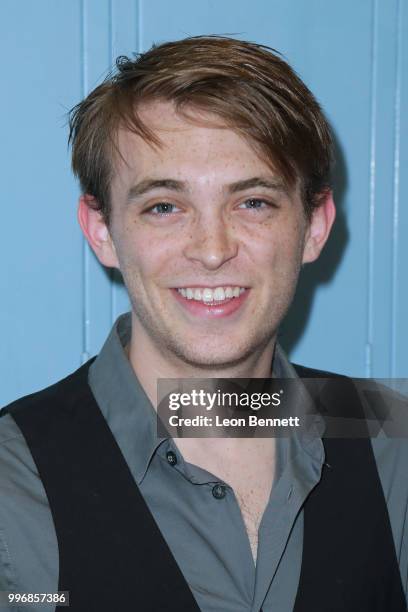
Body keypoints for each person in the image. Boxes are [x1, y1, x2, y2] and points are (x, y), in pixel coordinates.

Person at [0, 35, 407, 612]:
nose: (211, 250)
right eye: (164, 206)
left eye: (253, 202)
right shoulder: (12, 481)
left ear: (315, 226)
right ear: (101, 230)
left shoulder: (391, 440)